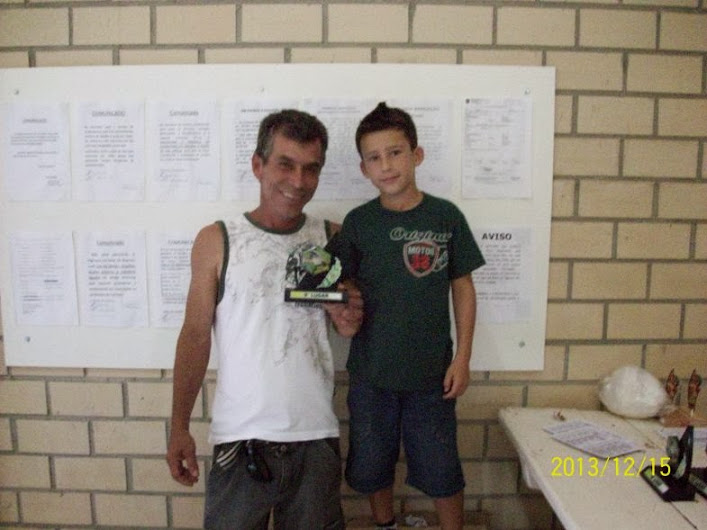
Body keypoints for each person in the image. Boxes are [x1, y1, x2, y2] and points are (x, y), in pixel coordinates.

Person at [166, 109, 363, 530]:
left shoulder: (335, 237)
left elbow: (350, 325)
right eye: (285, 164)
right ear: (258, 165)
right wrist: (179, 426)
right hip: (241, 440)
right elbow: (196, 336)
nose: (298, 181)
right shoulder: (217, 239)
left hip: (314, 436)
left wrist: (348, 313)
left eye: (311, 168)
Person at [335, 102, 485, 530]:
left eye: (395, 152)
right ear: (363, 168)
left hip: (432, 375)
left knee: (441, 466)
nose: (386, 165)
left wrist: (463, 358)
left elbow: (463, 286)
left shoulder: (445, 217)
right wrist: (342, 303)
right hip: (372, 375)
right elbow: (335, 280)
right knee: (372, 462)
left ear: (416, 155)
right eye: (374, 157)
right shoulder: (359, 223)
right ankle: (385, 524)